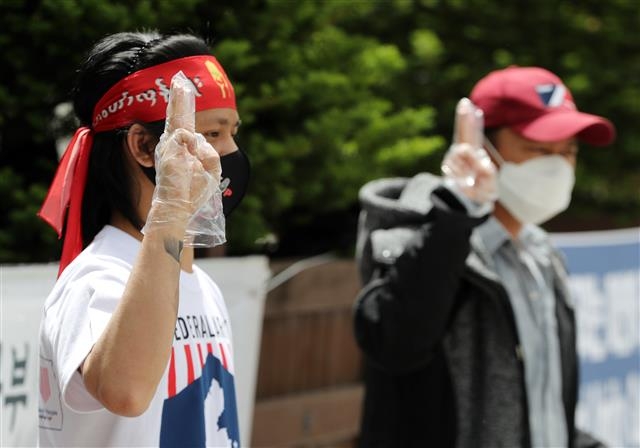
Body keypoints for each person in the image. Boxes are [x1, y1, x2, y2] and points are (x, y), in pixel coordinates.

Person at [353, 66, 615, 448]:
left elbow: (545, 410)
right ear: (481, 147)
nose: (558, 166)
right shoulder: (421, 245)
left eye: (568, 152)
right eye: (539, 150)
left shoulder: (543, 257)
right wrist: (456, 213)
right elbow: (394, 344)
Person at [37, 31, 250, 447]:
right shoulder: (97, 279)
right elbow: (127, 392)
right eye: (212, 134)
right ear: (144, 147)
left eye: (232, 132)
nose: (228, 152)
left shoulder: (203, 285)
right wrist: (170, 211)